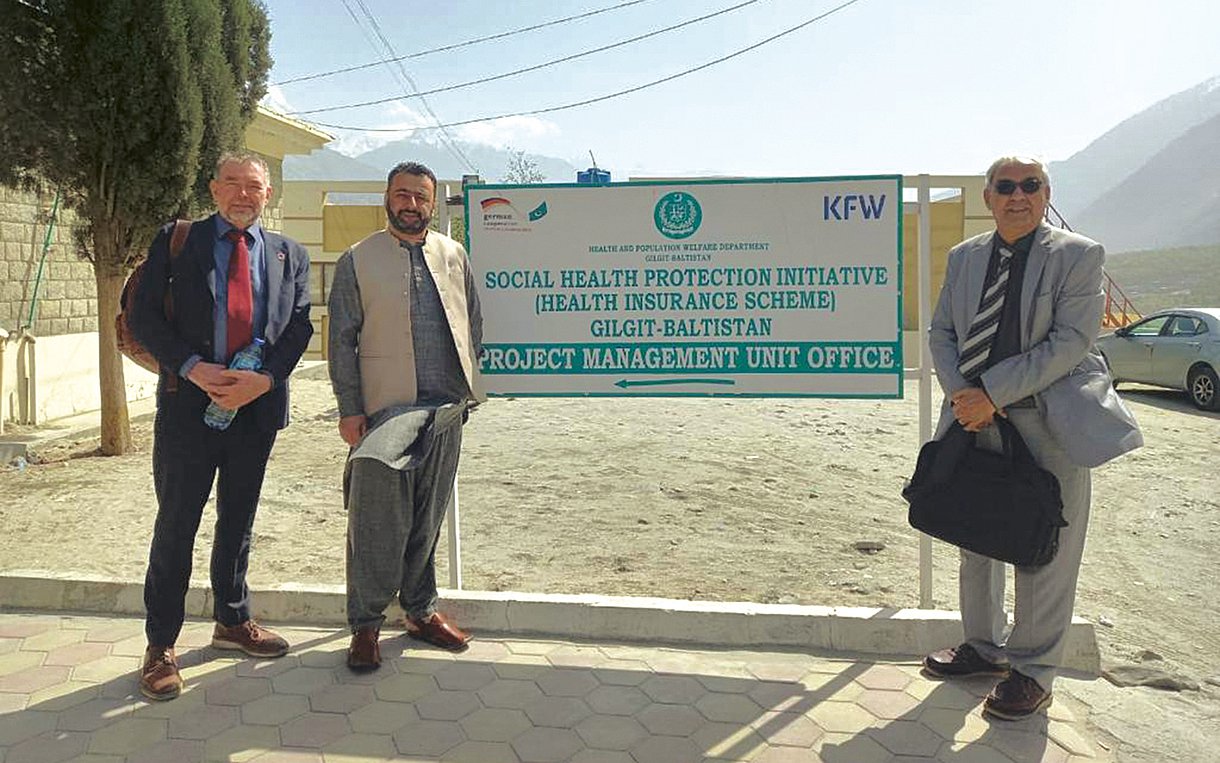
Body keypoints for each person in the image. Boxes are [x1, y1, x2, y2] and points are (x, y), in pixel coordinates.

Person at [923, 156, 1143, 719]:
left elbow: (1070, 341)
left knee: (1046, 547)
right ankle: (983, 647)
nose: (1018, 195)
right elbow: (943, 330)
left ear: (1046, 194)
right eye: (1006, 186)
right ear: (988, 196)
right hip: (974, 417)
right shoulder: (965, 257)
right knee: (975, 533)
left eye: (1031, 185)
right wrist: (963, 396)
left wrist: (991, 391)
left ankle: (1033, 671)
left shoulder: (1078, 254)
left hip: (1050, 421)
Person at [130, 152, 313, 700]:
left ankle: (232, 621)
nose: (242, 194)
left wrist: (267, 380)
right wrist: (191, 367)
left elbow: (298, 326)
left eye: (253, 186)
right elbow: (143, 316)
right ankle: (161, 644)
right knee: (177, 523)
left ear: (268, 194)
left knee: (239, 521)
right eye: (231, 183)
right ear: (213, 189)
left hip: (255, 412)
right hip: (190, 408)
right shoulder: (178, 240)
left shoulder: (288, 254)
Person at [327, 161, 486, 672]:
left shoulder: (453, 254)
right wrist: (350, 409)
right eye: (402, 194)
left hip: (444, 409)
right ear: (387, 198)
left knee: (427, 516)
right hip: (384, 411)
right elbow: (341, 340)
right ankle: (366, 625)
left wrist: (466, 389)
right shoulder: (359, 259)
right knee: (375, 520)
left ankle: (419, 610)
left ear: (432, 202)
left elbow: (472, 323)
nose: (411, 204)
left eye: (420, 196)